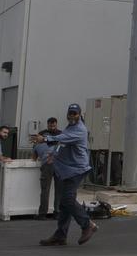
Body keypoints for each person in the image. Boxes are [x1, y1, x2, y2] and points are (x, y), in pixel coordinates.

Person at [39, 103, 98, 247]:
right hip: (66, 170)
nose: (71, 116)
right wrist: (53, 154)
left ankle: (87, 225)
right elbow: (62, 143)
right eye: (70, 113)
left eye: (74, 113)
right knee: (64, 203)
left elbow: (62, 138)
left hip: (76, 170)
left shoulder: (80, 130)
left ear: (79, 115)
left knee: (67, 198)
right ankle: (60, 235)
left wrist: (45, 139)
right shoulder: (70, 127)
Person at [32, 117, 62, 218]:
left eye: (54, 125)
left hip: (50, 164)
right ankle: (56, 212)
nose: (52, 127)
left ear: (56, 124)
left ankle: (43, 214)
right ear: (48, 124)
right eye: (51, 125)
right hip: (57, 164)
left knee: (47, 189)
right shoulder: (58, 134)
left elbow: (34, 156)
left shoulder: (42, 136)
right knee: (56, 190)